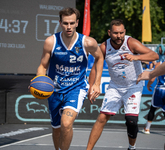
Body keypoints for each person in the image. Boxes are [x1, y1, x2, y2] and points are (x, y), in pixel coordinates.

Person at [34, 7, 104, 150]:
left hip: (76, 88)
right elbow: (42, 66)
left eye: (72, 23)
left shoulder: (87, 42)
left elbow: (99, 57)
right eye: (65, 23)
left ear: (77, 23)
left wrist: (96, 83)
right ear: (60, 23)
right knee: (56, 128)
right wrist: (38, 80)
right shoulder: (51, 42)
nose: (69, 27)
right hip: (54, 89)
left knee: (66, 123)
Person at [86, 19, 159, 150]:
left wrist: (136, 57)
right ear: (109, 33)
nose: (119, 36)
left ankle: (131, 147)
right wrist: (91, 86)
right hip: (115, 86)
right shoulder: (104, 47)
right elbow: (95, 68)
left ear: (124, 32)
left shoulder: (131, 43)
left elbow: (154, 55)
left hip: (133, 86)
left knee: (131, 120)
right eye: (115, 33)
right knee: (102, 117)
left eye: (121, 33)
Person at [140, 60, 165, 134]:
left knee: (153, 108)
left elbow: (152, 77)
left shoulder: (159, 64)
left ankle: (147, 128)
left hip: (160, 89)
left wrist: (148, 85)